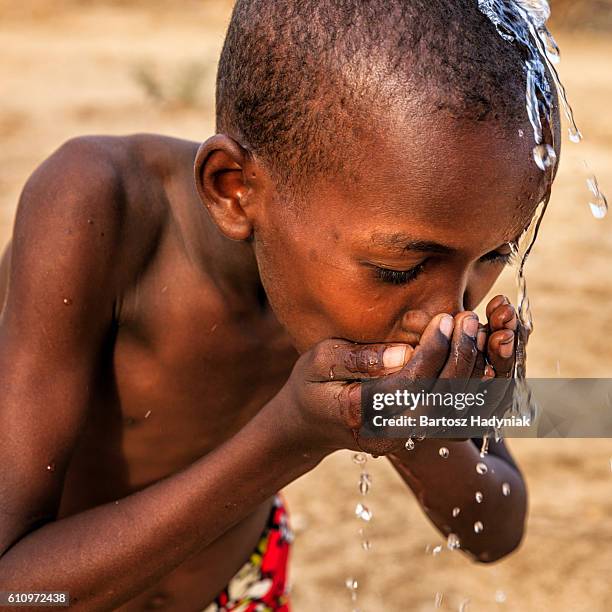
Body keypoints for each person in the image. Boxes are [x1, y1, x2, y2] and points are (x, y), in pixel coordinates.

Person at [0, 0, 559, 609]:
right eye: (397, 269)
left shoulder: (381, 290)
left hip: (243, 592)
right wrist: (290, 438)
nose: (447, 314)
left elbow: (496, 530)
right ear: (234, 190)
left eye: (493, 255)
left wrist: (415, 420)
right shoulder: (98, 210)